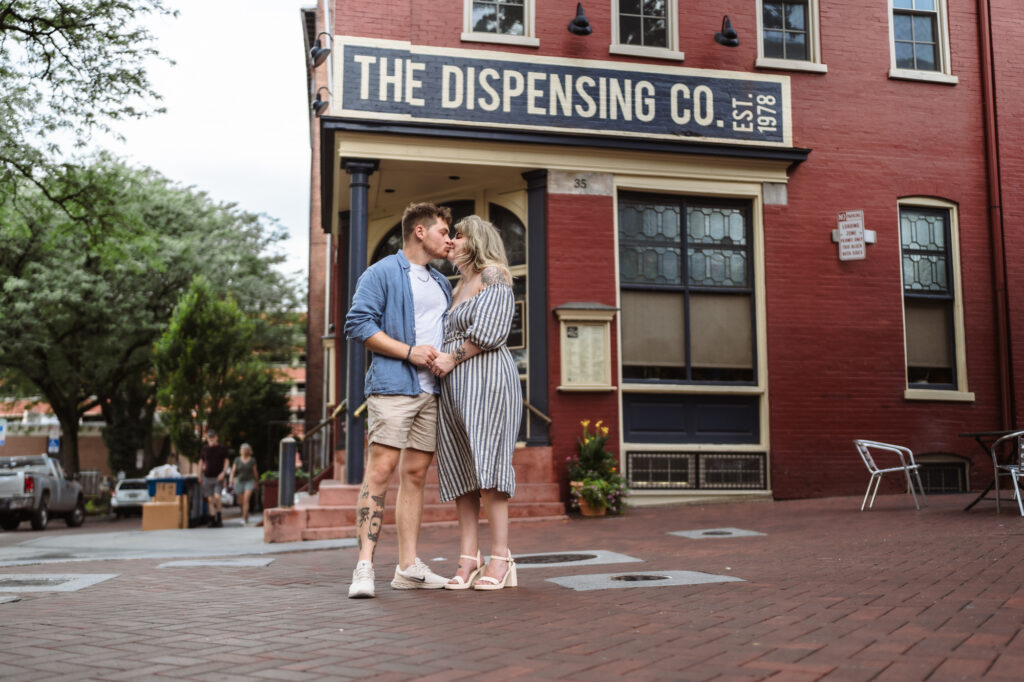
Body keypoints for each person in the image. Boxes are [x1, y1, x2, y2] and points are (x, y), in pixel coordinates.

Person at [343, 201, 454, 598]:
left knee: (415, 475)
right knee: (381, 470)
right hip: (393, 385)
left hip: (431, 392)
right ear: (420, 232)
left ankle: (407, 566)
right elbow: (357, 324)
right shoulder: (382, 272)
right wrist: (409, 351)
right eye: (444, 231)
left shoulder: (442, 283)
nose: (450, 239)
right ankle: (364, 567)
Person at [428, 215, 521, 591]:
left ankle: (501, 557)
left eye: (459, 235)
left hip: (488, 381)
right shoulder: (457, 287)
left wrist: (453, 357)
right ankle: (469, 557)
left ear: (477, 240)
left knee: (490, 467)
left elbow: (494, 331)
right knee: (462, 472)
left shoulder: (493, 275)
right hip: (453, 387)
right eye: (450, 235)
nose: (451, 240)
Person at [198, 429, 230, 528]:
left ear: (216, 437)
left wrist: (223, 473)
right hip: (207, 477)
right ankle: (212, 519)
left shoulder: (222, 448)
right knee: (210, 499)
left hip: (218, 477)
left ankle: (219, 517)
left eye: (213, 437)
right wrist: (199, 475)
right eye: (209, 437)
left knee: (217, 496)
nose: (211, 439)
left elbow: (227, 461)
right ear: (207, 438)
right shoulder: (205, 449)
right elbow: (200, 462)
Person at [229, 443, 259, 525]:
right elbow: (233, 471)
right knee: (240, 502)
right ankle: (245, 514)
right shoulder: (237, 460)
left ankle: (244, 518)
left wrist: (256, 482)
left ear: (249, 451)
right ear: (241, 451)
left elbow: (255, 472)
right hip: (239, 481)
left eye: (246, 449)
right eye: (243, 449)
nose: (244, 451)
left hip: (249, 481)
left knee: (246, 500)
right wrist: (231, 480)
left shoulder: (252, 460)